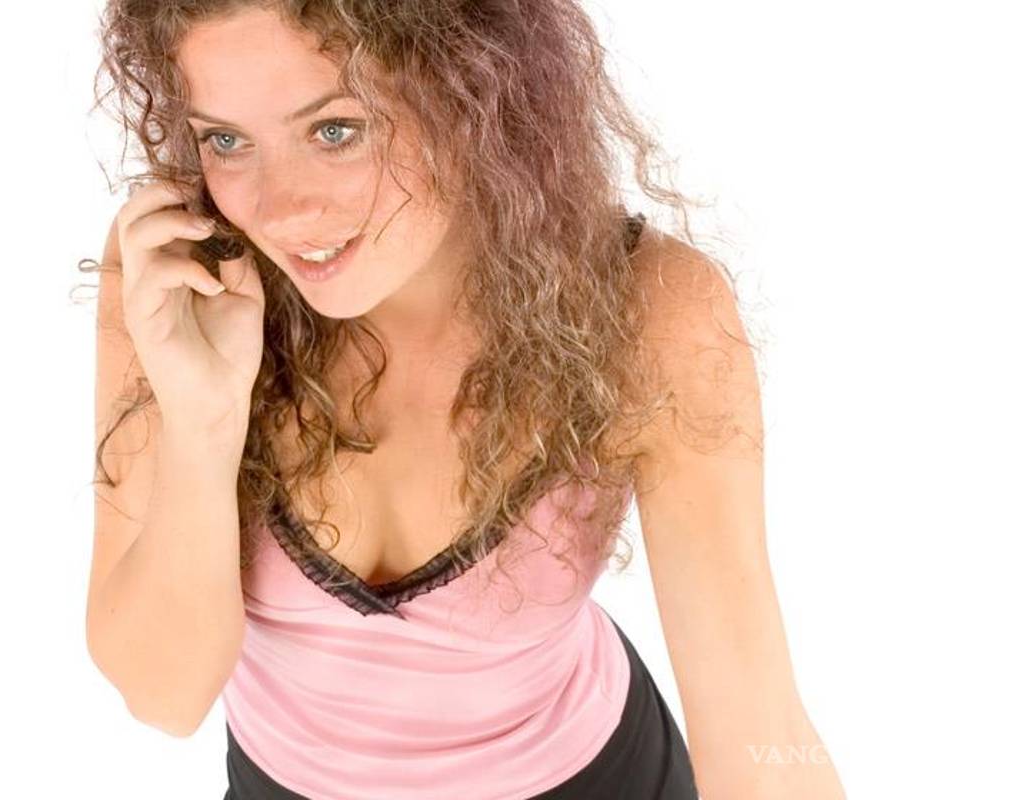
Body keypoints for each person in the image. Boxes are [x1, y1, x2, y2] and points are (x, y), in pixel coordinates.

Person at [81, 2, 846, 798]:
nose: (280, 209)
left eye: (336, 130)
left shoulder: (644, 309)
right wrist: (203, 422)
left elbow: (756, 730)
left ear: (471, 89)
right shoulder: (180, 276)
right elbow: (164, 697)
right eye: (226, 141)